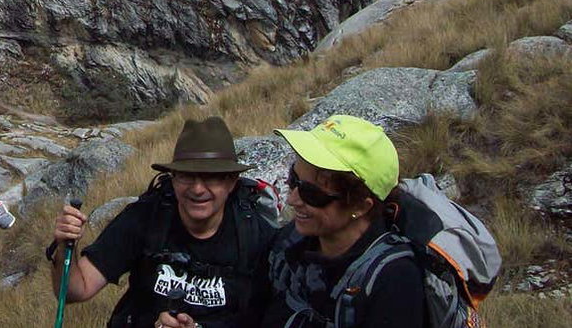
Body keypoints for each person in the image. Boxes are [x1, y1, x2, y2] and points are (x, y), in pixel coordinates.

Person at [50, 116, 280, 328]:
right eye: (187, 176)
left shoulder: (258, 237)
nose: (198, 189)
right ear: (173, 178)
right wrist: (64, 248)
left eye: (211, 177)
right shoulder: (145, 217)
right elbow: (74, 291)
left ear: (231, 182)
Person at [263, 115, 425, 328]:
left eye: (311, 193)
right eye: (294, 181)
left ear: (360, 206)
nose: (292, 199)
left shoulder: (394, 281)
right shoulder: (290, 242)